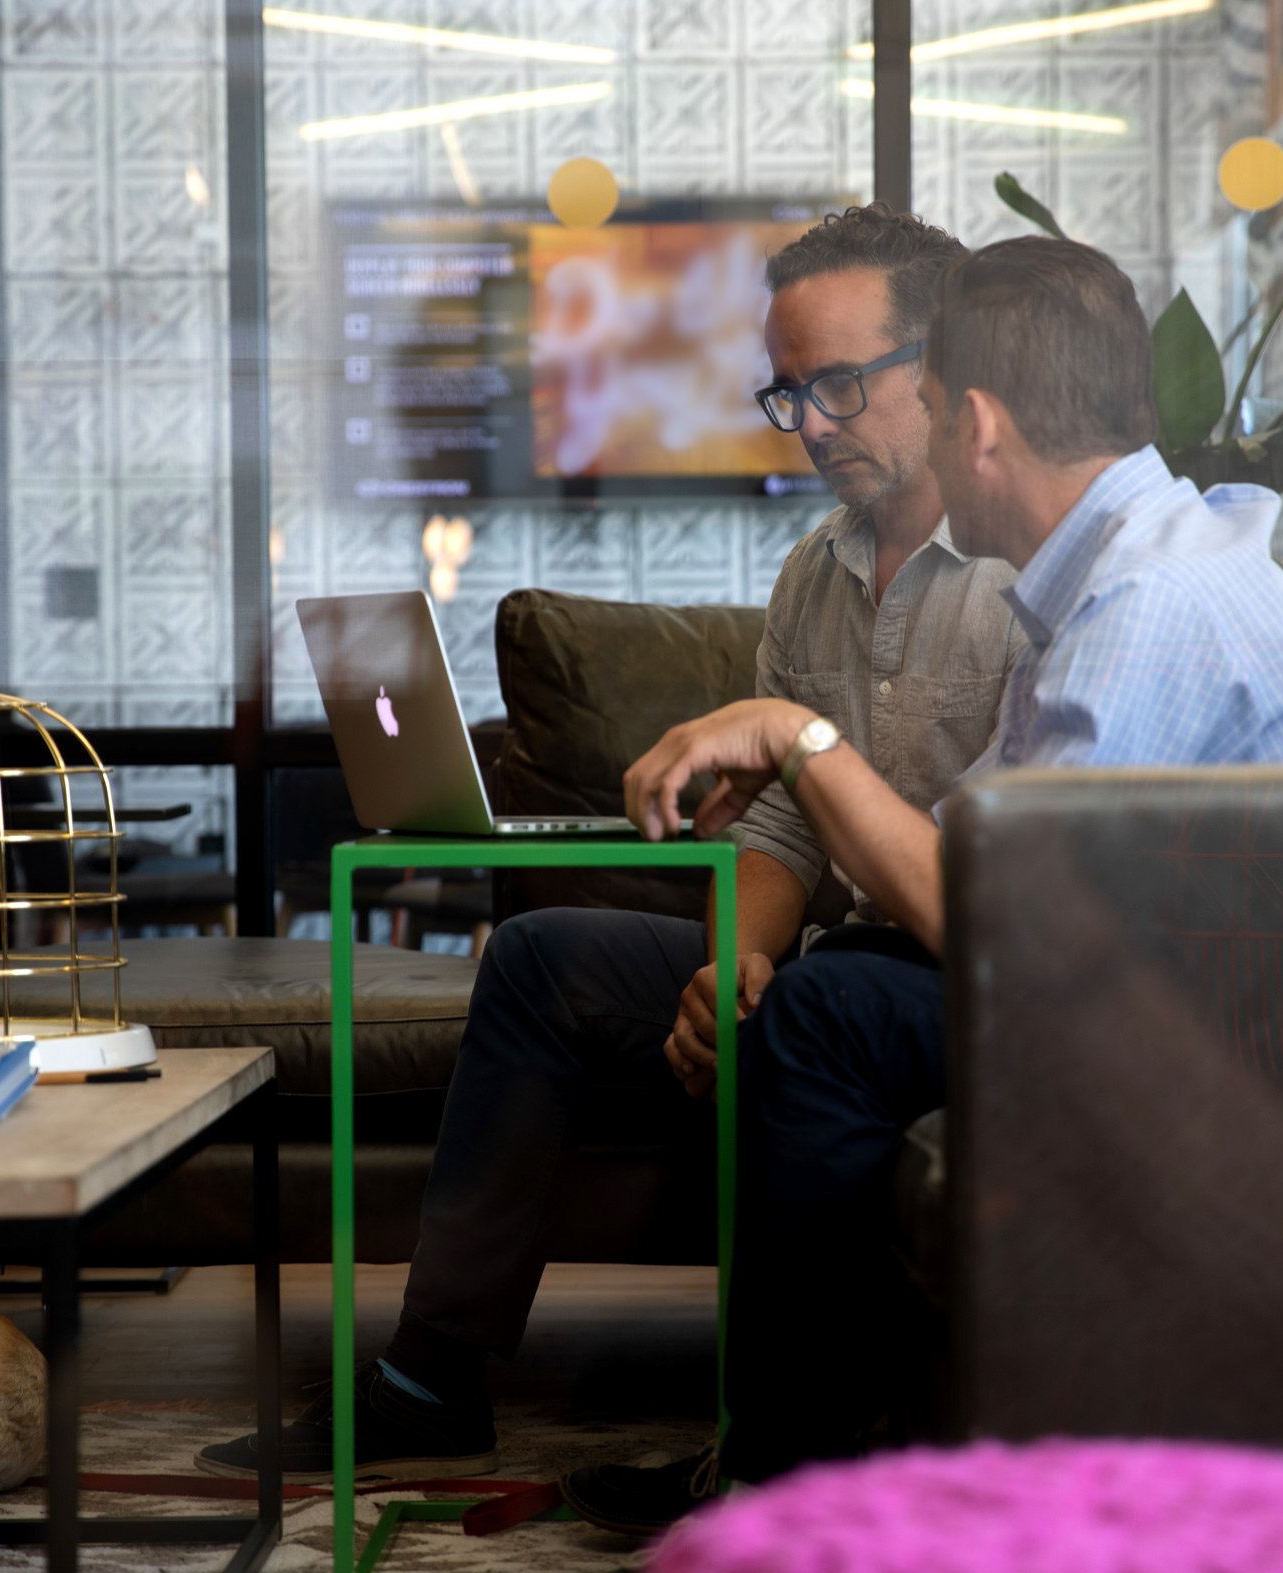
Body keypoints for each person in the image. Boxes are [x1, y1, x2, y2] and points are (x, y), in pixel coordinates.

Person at [554, 234, 1283, 1536]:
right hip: (1209, 999)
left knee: (831, 1015)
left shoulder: (1150, 605)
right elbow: (977, 868)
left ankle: (791, 1511)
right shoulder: (1120, 578)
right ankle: (788, 1476)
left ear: (976, 424)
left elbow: (994, 919)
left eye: (910, 395)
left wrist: (796, 736)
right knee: (837, 985)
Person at [196, 203, 1027, 1483]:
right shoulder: (814, 575)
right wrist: (735, 963)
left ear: (942, 366)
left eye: (840, 385)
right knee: (540, 959)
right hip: (835, 955)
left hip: (944, 970)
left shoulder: (1027, 574)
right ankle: (430, 1379)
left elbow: (1004, 889)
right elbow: (778, 821)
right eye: (788, 394)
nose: (811, 425)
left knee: (823, 1009)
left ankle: (775, 1462)